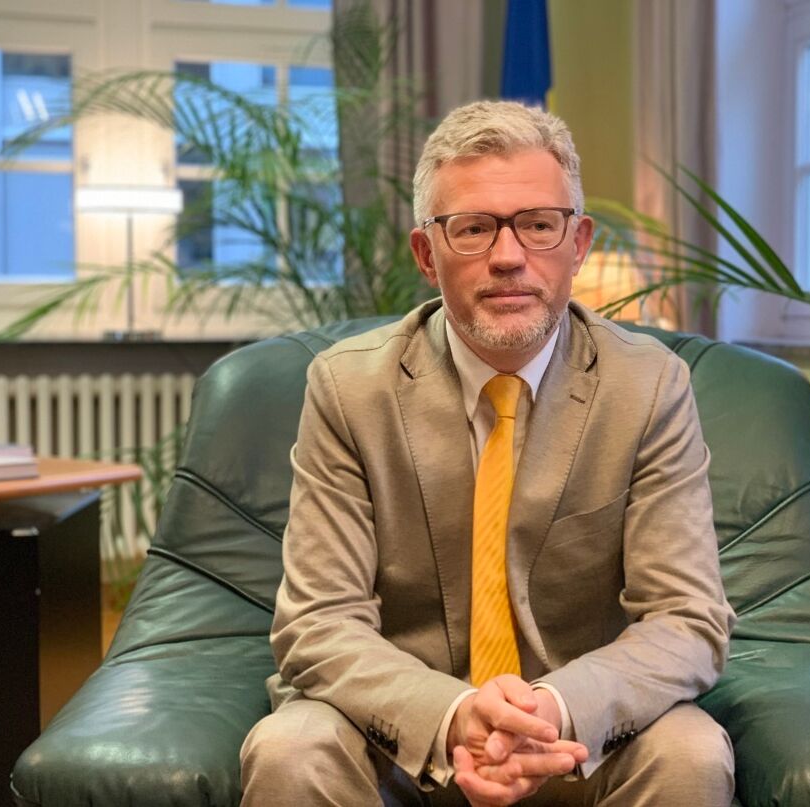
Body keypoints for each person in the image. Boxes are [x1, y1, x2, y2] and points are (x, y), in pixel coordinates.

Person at [240, 100, 738, 807]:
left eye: (538, 224)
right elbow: (317, 621)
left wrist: (553, 709)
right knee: (290, 750)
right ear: (426, 254)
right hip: (399, 738)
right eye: (473, 229)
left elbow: (687, 619)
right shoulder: (349, 389)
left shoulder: (650, 386)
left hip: (578, 736)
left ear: (578, 243)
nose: (508, 256)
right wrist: (452, 716)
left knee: (690, 751)